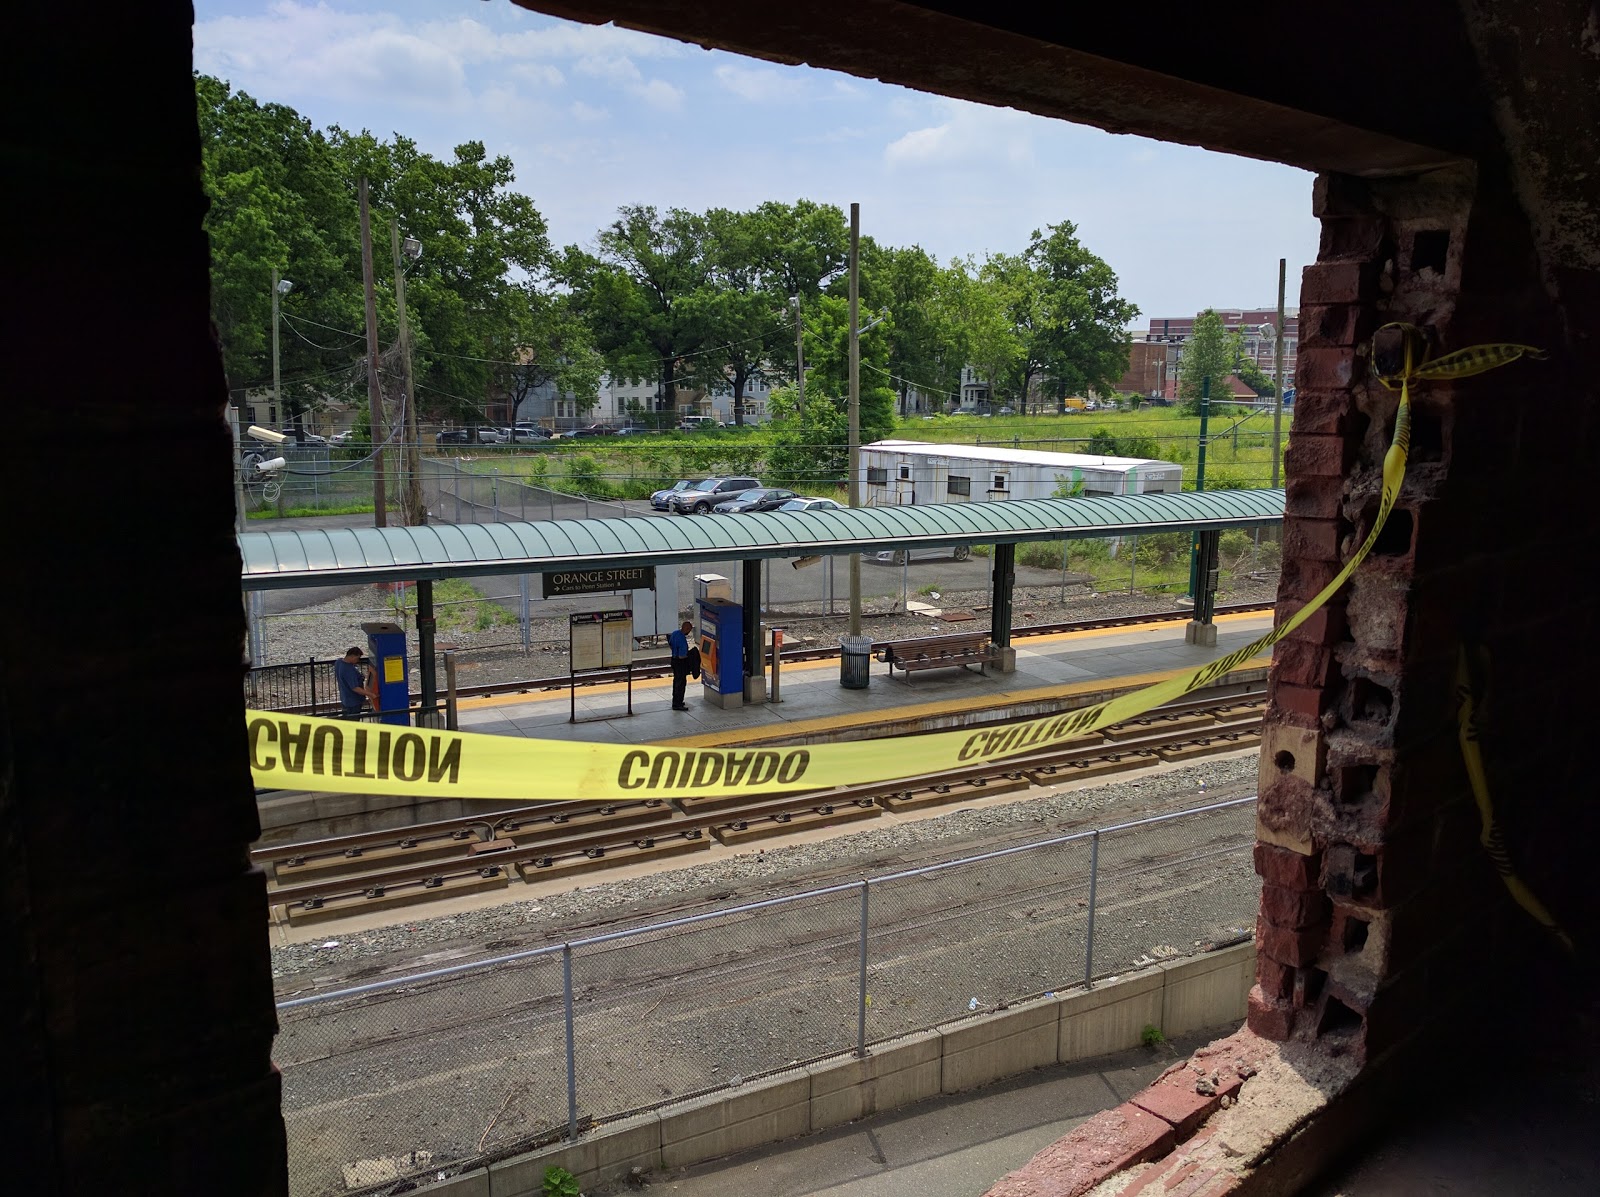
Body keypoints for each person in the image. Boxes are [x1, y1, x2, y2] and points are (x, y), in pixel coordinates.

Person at [334, 646, 374, 718]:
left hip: (345, 698)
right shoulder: (349, 670)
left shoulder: (338, 662)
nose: (358, 660)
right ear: (352, 656)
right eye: (357, 658)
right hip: (354, 701)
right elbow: (355, 688)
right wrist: (371, 694)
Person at [667, 620, 694, 710]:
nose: (689, 632)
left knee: (676, 682)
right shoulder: (682, 639)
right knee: (681, 683)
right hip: (680, 663)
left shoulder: (675, 633)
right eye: (689, 629)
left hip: (673, 660)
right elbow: (682, 656)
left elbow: (670, 644)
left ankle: (676, 701)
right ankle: (678, 703)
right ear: (686, 628)